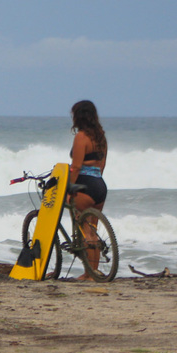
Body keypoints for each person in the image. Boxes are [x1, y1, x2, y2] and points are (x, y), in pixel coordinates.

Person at [68, 100, 108, 276]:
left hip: (85, 185)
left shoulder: (81, 137)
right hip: (99, 185)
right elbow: (102, 164)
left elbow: (76, 167)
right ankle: (94, 271)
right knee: (93, 228)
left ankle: (89, 273)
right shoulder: (100, 136)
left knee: (85, 229)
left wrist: (69, 188)